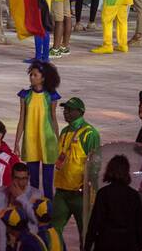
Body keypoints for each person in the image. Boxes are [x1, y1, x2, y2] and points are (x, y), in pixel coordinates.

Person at [51, 97, 99, 243]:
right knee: (53, 230)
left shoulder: (89, 133)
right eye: (65, 109)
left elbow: (95, 164)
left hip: (80, 194)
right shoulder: (64, 131)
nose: (65, 112)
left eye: (70, 109)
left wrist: (90, 190)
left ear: (80, 112)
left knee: (85, 234)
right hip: (62, 191)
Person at [13, 62, 60, 199]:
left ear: (43, 78)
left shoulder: (50, 96)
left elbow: (53, 119)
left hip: (47, 140)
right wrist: (17, 141)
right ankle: (33, 208)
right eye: (31, 75)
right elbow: (22, 118)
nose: (32, 77)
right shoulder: (25, 95)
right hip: (31, 140)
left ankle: (48, 208)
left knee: (47, 180)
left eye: (35, 75)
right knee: (32, 180)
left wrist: (58, 140)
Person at [83, 154, 142, 251]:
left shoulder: (103, 194)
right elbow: (140, 226)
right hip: (128, 243)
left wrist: (87, 246)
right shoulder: (134, 195)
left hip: (106, 242)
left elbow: (94, 223)